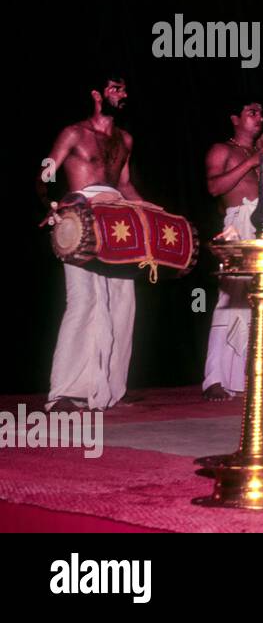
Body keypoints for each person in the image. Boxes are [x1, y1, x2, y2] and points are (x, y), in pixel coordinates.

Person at [40, 76, 149, 411]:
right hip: (80, 216)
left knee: (122, 303)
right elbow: (45, 173)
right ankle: (64, 391)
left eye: (125, 88)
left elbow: (126, 185)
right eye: (115, 88)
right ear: (96, 94)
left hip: (118, 220)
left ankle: (112, 387)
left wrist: (152, 214)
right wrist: (51, 206)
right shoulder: (74, 133)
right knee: (84, 301)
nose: (122, 94)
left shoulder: (125, 139)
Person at [202, 100, 263, 401]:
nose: (259, 117)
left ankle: (254, 377)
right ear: (235, 118)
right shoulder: (222, 150)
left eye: (261, 112)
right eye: (252, 112)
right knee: (231, 300)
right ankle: (215, 379)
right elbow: (214, 188)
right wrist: (252, 162)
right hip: (237, 226)